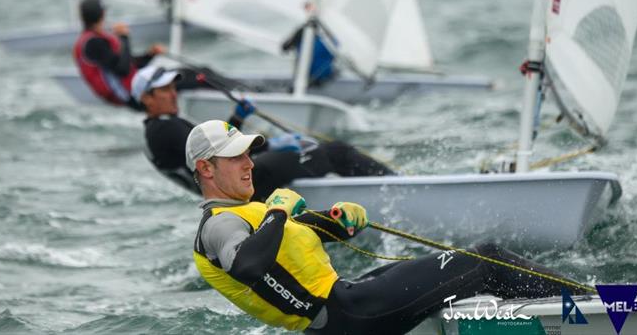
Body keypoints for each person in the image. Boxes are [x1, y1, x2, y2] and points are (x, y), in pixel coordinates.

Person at [188, 119, 590, 334]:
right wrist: (277, 212)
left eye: (248, 154)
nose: (250, 163)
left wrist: (339, 223)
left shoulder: (249, 212)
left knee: (452, 273)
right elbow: (249, 267)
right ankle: (600, 307)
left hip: (342, 310)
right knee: (483, 259)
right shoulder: (218, 227)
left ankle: (552, 316)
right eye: (235, 157)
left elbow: (292, 249)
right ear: (206, 168)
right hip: (347, 313)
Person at [131, 64, 393, 200]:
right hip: (246, 181)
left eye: (173, 88)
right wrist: (271, 145)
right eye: (164, 90)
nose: (173, 94)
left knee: (316, 154)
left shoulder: (157, 129)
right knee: (337, 152)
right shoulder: (165, 130)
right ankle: (396, 187)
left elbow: (212, 153)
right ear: (147, 98)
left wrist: (237, 119)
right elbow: (219, 153)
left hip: (232, 187)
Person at [72, 0, 166, 111]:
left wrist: (150, 54)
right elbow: (123, 69)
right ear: (102, 14)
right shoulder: (94, 43)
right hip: (133, 96)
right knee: (184, 76)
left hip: (135, 91)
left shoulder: (91, 40)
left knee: (176, 75)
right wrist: (124, 37)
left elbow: (128, 64)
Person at [281, 18, 338, 87]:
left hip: (305, 77)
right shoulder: (324, 43)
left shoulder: (301, 43)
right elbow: (336, 48)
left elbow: (284, 47)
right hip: (319, 78)